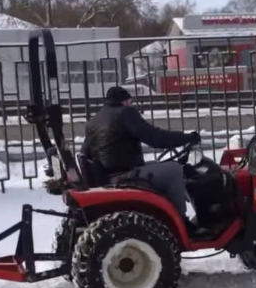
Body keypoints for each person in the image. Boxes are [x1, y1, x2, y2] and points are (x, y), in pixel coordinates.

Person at [82, 86, 202, 225]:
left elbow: (85, 152)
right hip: (126, 175)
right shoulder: (125, 113)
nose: (131, 104)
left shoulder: (94, 121)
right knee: (174, 170)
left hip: (110, 175)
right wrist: (186, 138)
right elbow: (155, 137)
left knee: (157, 165)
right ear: (125, 101)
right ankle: (182, 221)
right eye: (130, 102)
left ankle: (165, 216)